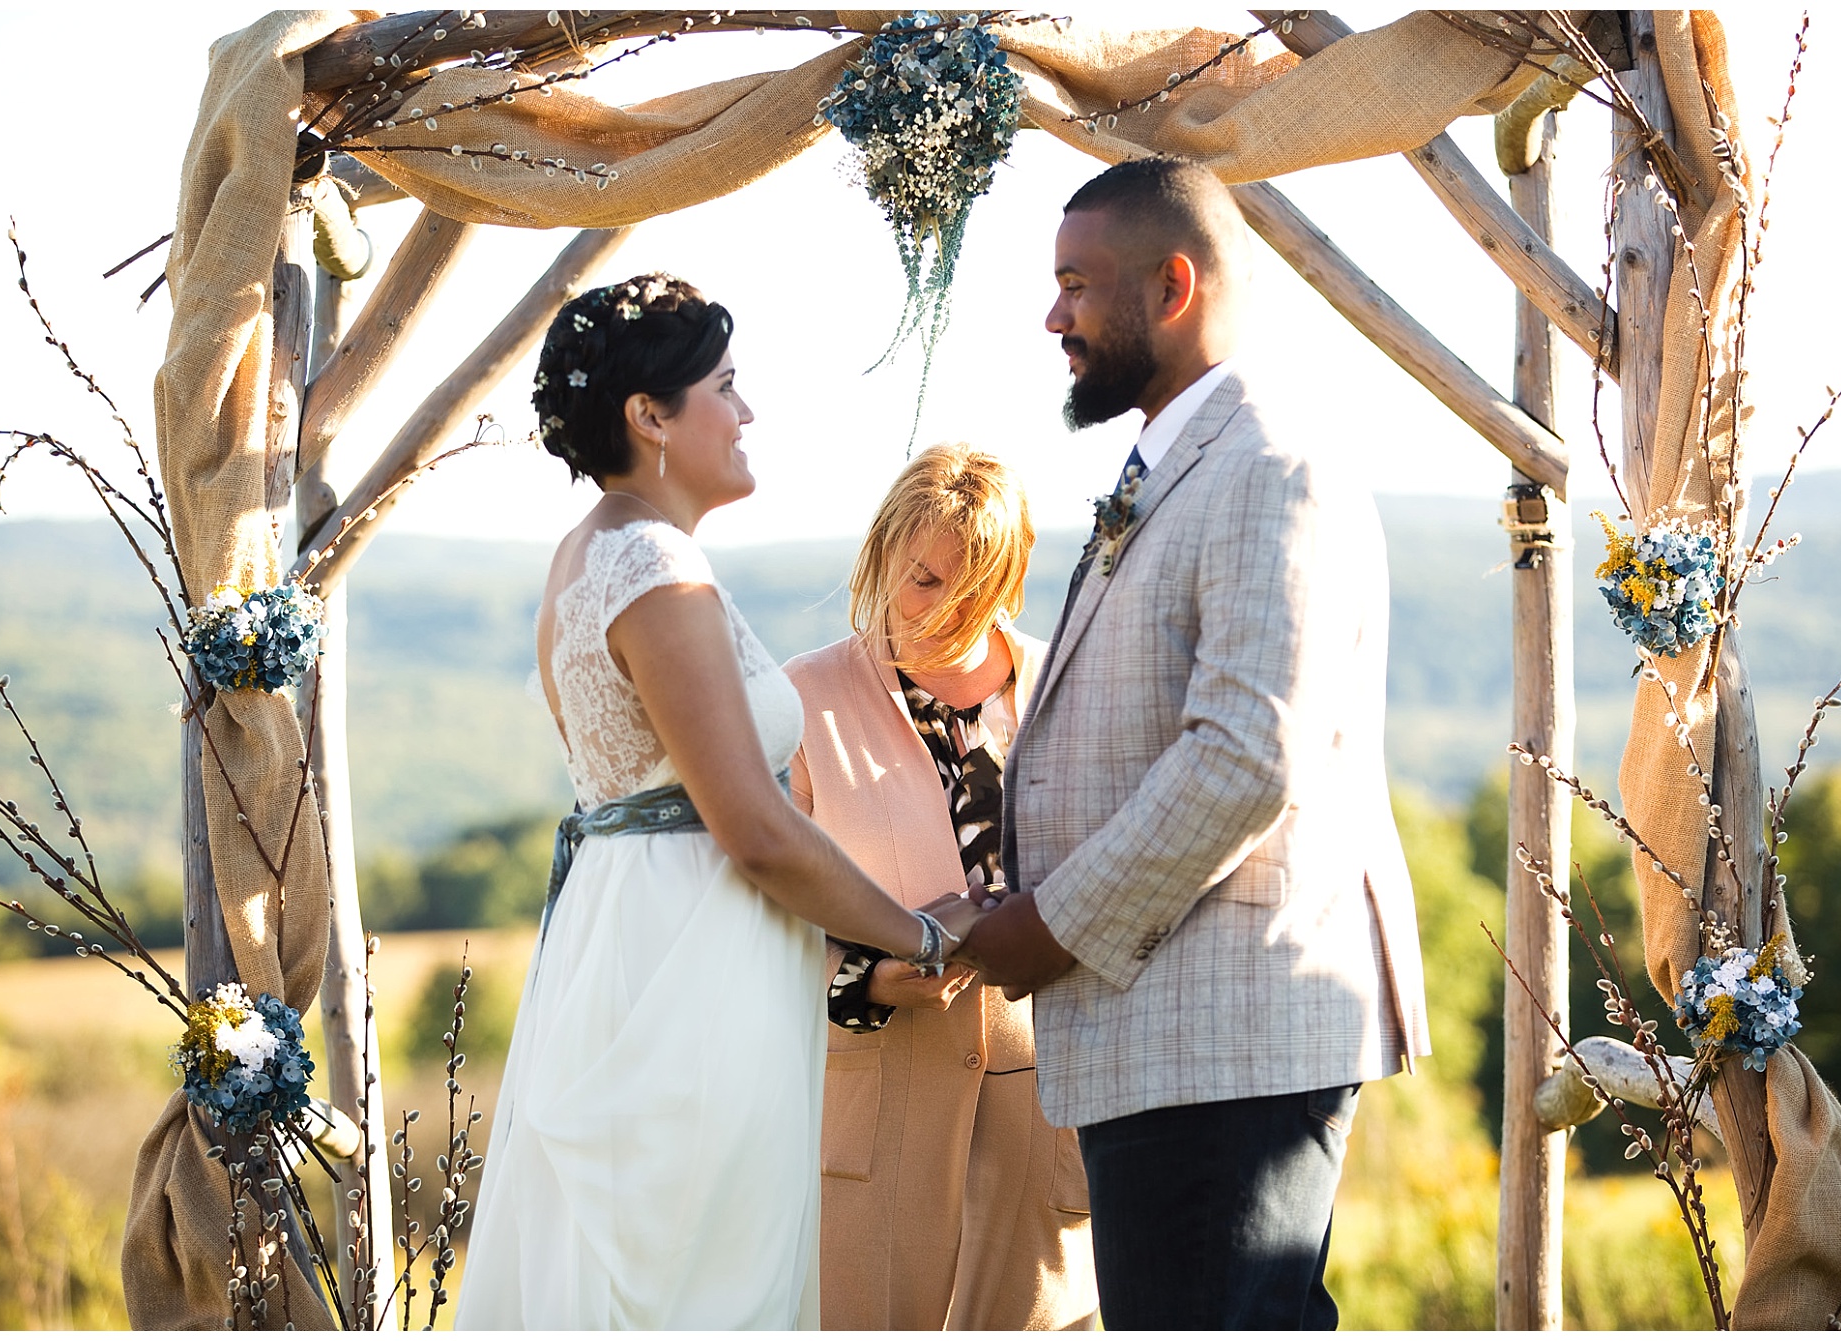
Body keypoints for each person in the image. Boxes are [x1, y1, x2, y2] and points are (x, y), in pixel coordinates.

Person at [956, 157, 1432, 1330]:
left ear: (1171, 286)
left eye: (1075, 283)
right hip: (1169, 1032)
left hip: (1226, 1029)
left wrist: (1050, 924)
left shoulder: (1268, 468)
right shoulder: (1175, 465)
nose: (1051, 315)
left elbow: (1241, 759)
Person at [457, 274, 979, 1330]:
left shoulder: (594, 552)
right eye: (726, 387)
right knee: (696, 1277)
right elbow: (752, 829)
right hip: (686, 964)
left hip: (639, 932)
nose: (747, 414)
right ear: (649, 416)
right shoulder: (649, 563)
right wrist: (922, 937)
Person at [782, 445, 1099, 1330]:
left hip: (1048, 1130)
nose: (939, 613)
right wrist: (868, 978)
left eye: (971, 593)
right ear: (882, 549)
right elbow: (757, 918)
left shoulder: (1068, 685)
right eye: (921, 579)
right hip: (874, 1125)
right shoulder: (799, 704)